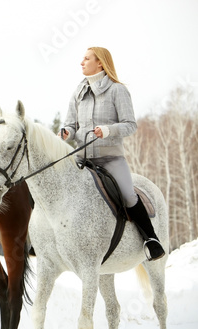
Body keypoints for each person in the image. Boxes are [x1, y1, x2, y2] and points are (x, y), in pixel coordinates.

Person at [60, 47, 165, 261]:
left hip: (110, 159)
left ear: (100, 63)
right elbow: (71, 124)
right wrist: (66, 132)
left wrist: (108, 130)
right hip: (81, 159)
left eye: (86, 58)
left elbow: (130, 125)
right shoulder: (78, 92)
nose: (82, 62)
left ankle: (151, 241)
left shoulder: (117, 90)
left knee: (128, 195)